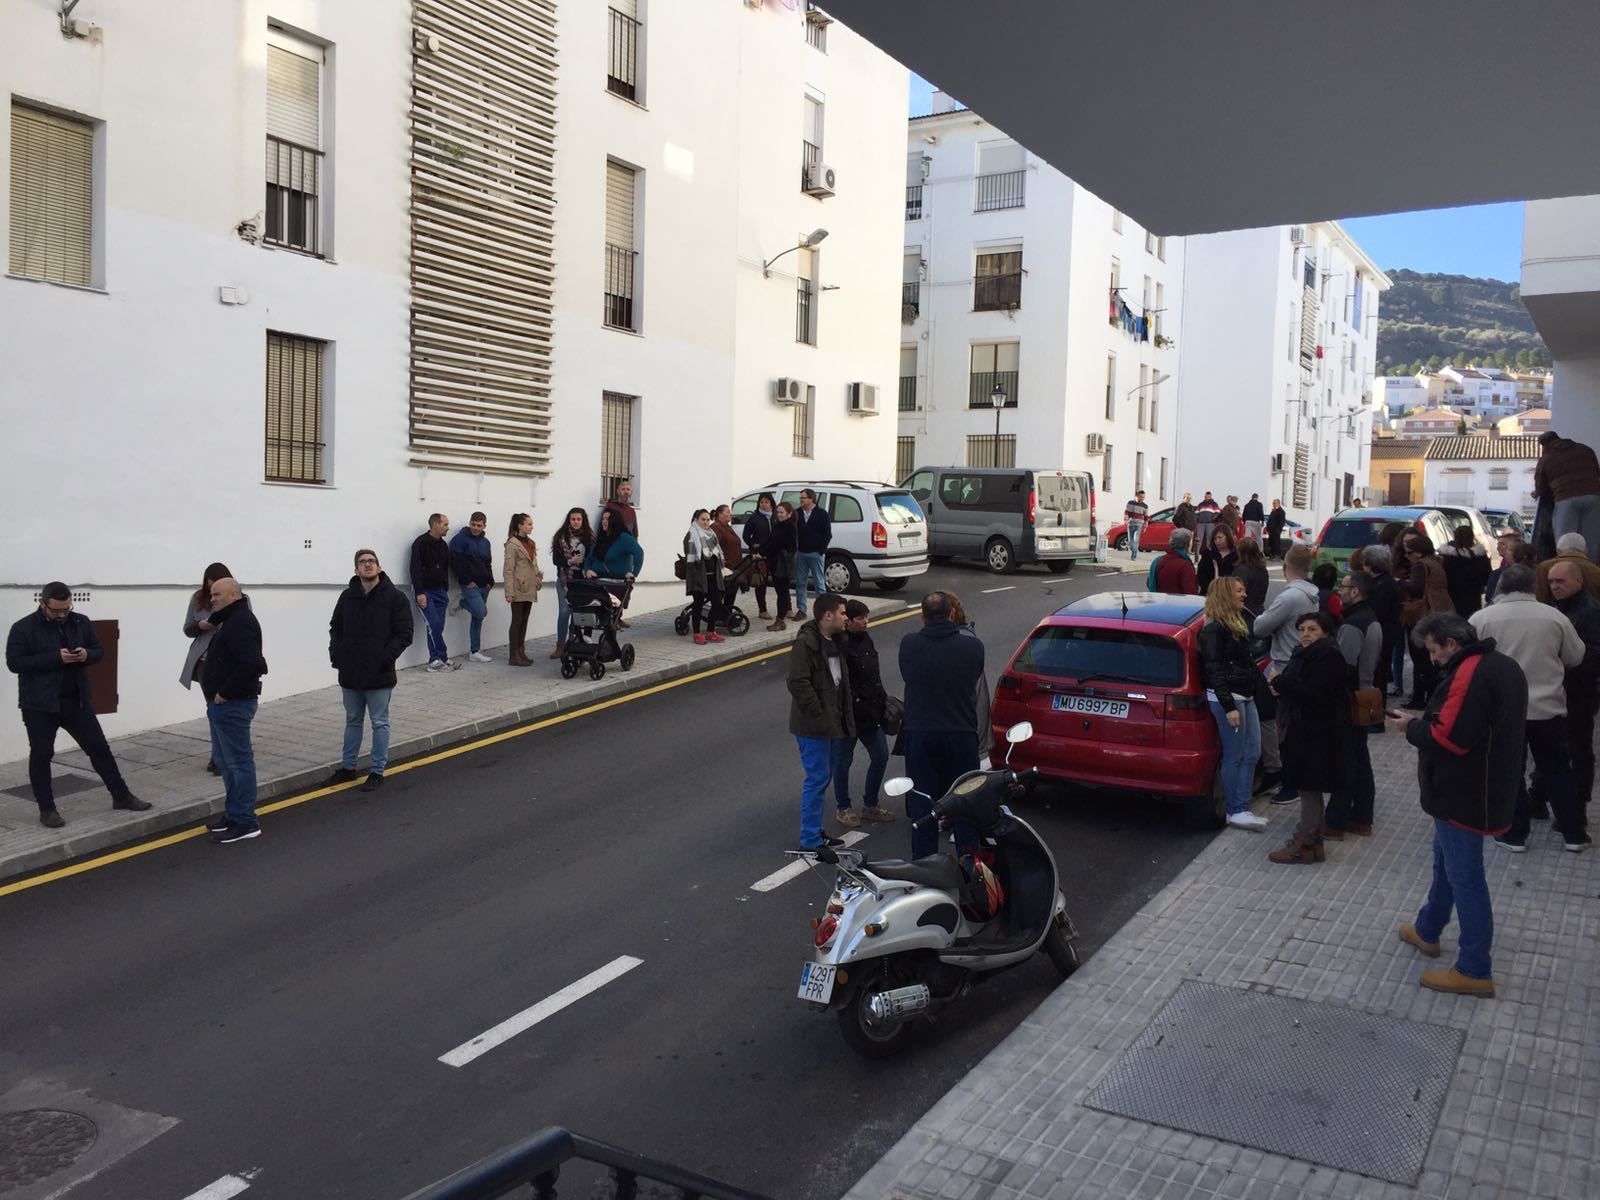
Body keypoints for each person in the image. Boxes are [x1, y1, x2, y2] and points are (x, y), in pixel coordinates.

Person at [1390, 612, 1527, 997]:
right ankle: (1428, 928)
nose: (1432, 659)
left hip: (1465, 792)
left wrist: (1411, 727)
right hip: (1481, 787)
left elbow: (1450, 738)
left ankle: (1473, 968)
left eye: (1434, 650)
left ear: (1452, 643)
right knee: (1445, 862)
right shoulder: (1503, 665)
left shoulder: (1471, 672)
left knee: (1466, 876)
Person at [6, 582, 149, 828]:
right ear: (42, 603)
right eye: (56, 611)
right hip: (40, 705)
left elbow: (99, 650)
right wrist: (55, 657)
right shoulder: (23, 628)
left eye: (66, 609)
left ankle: (121, 796)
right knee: (41, 755)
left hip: (76, 701)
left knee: (99, 749)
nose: (62, 615)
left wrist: (86, 655)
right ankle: (47, 810)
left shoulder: (80, 621)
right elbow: (15, 663)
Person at [1470, 564, 1588, 852]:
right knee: (1558, 770)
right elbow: (1575, 656)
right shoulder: (1555, 617)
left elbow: (1470, 664)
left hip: (1503, 712)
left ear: (1501, 587)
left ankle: (1514, 834)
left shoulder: (1482, 619)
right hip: (1548, 708)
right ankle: (1574, 834)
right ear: (1535, 586)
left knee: (1510, 772)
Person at [899, 590, 987, 859]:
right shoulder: (973, 647)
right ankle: (970, 863)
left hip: (920, 733)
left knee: (922, 802)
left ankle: (925, 866)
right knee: (965, 800)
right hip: (960, 733)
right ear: (952, 614)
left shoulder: (909, 644)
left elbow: (907, 675)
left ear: (923, 617)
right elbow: (974, 676)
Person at [327, 549, 414, 792]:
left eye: (371, 562)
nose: (368, 565)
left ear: (379, 566)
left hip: (379, 673)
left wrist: (384, 658)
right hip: (350, 672)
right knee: (352, 720)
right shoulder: (347, 597)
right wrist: (337, 655)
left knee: (379, 722)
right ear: (356, 569)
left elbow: (404, 634)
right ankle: (348, 767)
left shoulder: (395, 598)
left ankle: (377, 771)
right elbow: (336, 628)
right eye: (363, 562)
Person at [1266, 611, 1349, 864]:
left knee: (1309, 787)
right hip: (1304, 729)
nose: (1305, 634)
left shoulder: (1328, 655)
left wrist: (1279, 683)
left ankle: (1304, 842)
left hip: (1317, 733)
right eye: (1302, 629)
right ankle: (1312, 844)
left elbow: (1314, 693)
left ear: (1324, 631)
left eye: (1312, 629)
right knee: (1306, 787)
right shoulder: (1304, 654)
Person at [201, 577, 267, 844]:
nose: (213, 599)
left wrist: (224, 693)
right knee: (226, 763)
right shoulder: (229, 620)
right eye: (212, 595)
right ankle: (234, 813)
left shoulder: (240, 622)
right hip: (222, 706)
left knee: (239, 763)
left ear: (234, 595)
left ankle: (246, 821)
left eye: (217, 595)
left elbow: (253, 663)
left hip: (233, 704)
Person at [1198, 577, 1267, 831]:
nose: (1244, 594)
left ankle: (1242, 806)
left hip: (1244, 695)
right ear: (1226, 595)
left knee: (1252, 752)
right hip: (1230, 699)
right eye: (1239, 590)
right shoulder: (1213, 629)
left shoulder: (1233, 623)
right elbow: (1213, 670)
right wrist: (1228, 707)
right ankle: (1236, 810)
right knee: (1235, 755)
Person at [1253, 544, 1319, 802]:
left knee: (1282, 726)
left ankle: (1284, 778)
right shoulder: (1313, 593)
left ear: (1284, 567)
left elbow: (1260, 627)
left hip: (1284, 666)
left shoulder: (1290, 596)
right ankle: (1280, 772)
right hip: (1299, 664)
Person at [787, 593, 853, 850]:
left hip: (831, 723)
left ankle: (815, 831)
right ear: (828, 615)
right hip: (813, 726)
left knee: (823, 778)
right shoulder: (806, 643)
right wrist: (819, 714)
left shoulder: (835, 640)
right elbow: (797, 682)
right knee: (817, 778)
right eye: (843, 613)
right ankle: (810, 838)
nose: (845, 618)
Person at [1325, 572, 1383, 838]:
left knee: (1345, 760)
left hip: (1349, 700)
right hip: (1366, 695)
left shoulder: (1352, 625)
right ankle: (1361, 817)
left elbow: (1342, 668)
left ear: (1356, 591)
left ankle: (1336, 821)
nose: (1340, 591)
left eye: (1344, 586)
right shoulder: (1369, 617)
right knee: (1360, 759)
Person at [833, 599, 897, 828]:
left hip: (871, 713)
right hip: (848, 717)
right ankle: (843, 808)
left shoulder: (866, 639)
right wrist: (854, 699)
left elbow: (874, 674)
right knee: (842, 762)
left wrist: (883, 699)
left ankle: (870, 805)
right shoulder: (839, 645)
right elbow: (838, 681)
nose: (866, 622)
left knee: (880, 756)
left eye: (866, 617)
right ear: (848, 620)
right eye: (860, 618)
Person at [1543, 560, 1600, 812]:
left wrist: (1560, 658)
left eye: (1560, 581)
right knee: (1555, 747)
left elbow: (1594, 655)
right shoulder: (1560, 607)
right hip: (1561, 689)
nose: (1554, 586)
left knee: (1578, 747)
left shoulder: (1590, 611)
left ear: (1578, 581)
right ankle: (1543, 799)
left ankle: (1578, 803)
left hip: (1579, 691)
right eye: (1551, 581)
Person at [179, 561, 235, 775]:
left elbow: (243, 626)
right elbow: (187, 629)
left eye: (216, 589)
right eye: (208, 588)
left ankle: (224, 755)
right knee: (213, 709)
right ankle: (217, 757)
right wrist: (201, 626)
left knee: (225, 709)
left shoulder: (239, 599)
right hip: (204, 662)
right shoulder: (197, 598)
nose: (212, 595)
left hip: (227, 662)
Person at [1401, 535, 1455, 708]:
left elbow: (1417, 588)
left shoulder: (1420, 565)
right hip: (1441, 610)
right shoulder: (1437, 562)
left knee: (1421, 658)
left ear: (1419, 553)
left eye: (1409, 552)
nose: (1406, 556)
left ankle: (1420, 698)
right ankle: (1432, 695)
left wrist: (1400, 583)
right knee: (1434, 658)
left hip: (1424, 613)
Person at [1534, 429, 1600, 559]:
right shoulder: (1585, 449)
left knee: (1565, 540)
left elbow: (1541, 488)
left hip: (1566, 498)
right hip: (1594, 497)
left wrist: (1537, 493)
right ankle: (1589, 571)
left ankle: (1567, 568)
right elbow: (1596, 473)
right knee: (1591, 540)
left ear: (1544, 445)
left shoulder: (1546, 458)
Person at [410, 513, 457, 671]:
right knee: (433, 625)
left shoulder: (443, 545)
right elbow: (415, 568)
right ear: (435, 525)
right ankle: (434, 661)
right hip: (425, 591)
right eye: (445, 524)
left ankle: (440, 658)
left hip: (440, 591)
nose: (447, 527)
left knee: (438, 626)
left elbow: (444, 568)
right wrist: (419, 592)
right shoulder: (420, 543)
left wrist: (445, 588)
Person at [449, 511, 496, 663]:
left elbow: (488, 563)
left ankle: (474, 651)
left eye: (479, 525)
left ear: (484, 526)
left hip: (484, 584)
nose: (475, 528)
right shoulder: (459, 540)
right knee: (481, 611)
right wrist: (466, 580)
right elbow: (455, 562)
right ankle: (461, 602)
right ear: (469, 523)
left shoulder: (485, 542)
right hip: (470, 584)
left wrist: (491, 581)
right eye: (473, 524)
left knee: (477, 618)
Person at [548, 509, 591, 661]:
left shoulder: (589, 537)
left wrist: (586, 567)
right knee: (564, 612)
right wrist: (569, 562)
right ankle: (560, 645)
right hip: (564, 580)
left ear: (583, 520)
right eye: (573, 519)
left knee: (578, 613)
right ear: (569, 520)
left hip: (582, 581)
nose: (576, 522)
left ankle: (575, 643)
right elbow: (555, 560)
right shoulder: (561, 537)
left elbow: (592, 559)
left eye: (579, 519)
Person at [1361, 544, 1403, 695]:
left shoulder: (1383, 585)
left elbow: (1379, 611)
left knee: (1378, 674)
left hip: (1382, 634)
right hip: (1386, 632)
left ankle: (1376, 706)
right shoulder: (1386, 581)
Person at [683, 508, 728, 645]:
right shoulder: (691, 535)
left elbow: (716, 554)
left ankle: (710, 632)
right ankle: (697, 634)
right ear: (696, 520)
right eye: (703, 519)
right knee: (698, 605)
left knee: (717, 603)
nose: (706, 522)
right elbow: (690, 557)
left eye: (708, 519)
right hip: (698, 576)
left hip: (714, 576)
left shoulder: (712, 534)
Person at [502, 513, 543, 665]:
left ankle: (521, 651)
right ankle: (514, 655)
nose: (532, 527)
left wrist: (538, 579)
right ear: (520, 525)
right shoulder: (512, 544)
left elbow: (534, 564)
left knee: (524, 621)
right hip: (518, 587)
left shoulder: (530, 542)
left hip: (529, 586)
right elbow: (508, 569)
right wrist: (509, 592)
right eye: (529, 524)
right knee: (517, 620)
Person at [600, 481, 640, 628]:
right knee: (612, 585)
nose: (625, 492)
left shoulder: (631, 510)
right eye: (623, 489)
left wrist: (634, 548)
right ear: (618, 491)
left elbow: (634, 532)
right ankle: (611, 617)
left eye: (628, 489)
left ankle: (619, 616)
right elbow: (604, 528)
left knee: (626, 585)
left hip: (627, 553)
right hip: (614, 550)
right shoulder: (611, 507)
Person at [763, 501, 800, 632]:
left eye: (782, 512)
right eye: (777, 512)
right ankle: (780, 619)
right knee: (781, 592)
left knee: (782, 593)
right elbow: (771, 542)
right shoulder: (779, 525)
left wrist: (762, 553)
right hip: (777, 562)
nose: (779, 515)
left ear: (789, 514)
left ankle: (780, 620)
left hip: (783, 564)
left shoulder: (788, 527)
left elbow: (776, 544)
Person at [794, 489, 831, 618]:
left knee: (819, 584)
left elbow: (827, 534)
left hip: (816, 553)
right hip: (801, 553)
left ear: (811, 499)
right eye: (800, 498)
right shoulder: (797, 513)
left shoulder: (822, 514)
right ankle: (801, 610)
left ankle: (823, 611)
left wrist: (821, 551)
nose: (801, 500)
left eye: (803, 498)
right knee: (800, 583)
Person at [584, 508, 644, 590]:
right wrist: (587, 570)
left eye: (608, 519)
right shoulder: (601, 538)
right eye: (603, 518)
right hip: (597, 583)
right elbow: (589, 558)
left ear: (615, 520)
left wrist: (634, 573)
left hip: (618, 586)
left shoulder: (624, 538)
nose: (604, 521)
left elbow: (639, 553)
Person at [1438, 524, 1490, 618]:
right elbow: (1486, 577)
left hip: (1451, 596)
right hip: (1473, 597)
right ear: (1472, 537)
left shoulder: (1446, 556)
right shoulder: (1480, 556)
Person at [1534, 532, 1600, 602]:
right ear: (1585, 551)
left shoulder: (1544, 567)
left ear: (1558, 550)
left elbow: (1540, 598)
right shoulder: (1596, 570)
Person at [743, 493, 778, 621]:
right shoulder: (754, 518)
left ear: (771, 504)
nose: (764, 504)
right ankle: (762, 610)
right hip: (760, 555)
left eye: (766, 502)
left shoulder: (776, 516)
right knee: (761, 583)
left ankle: (786, 608)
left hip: (774, 554)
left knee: (779, 580)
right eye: (761, 502)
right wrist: (753, 544)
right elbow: (746, 535)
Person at [711, 505, 745, 629]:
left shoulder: (726, 527)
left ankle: (725, 614)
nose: (730, 514)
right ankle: (721, 616)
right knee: (726, 591)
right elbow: (715, 547)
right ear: (719, 514)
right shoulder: (716, 528)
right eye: (727, 512)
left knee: (731, 591)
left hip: (734, 566)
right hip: (726, 567)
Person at [1147, 528, 1199, 595]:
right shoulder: (1185, 565)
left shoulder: (1157, 560)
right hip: (1178, 603)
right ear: (1187, 544)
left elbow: (1150, 583)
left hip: (1158, 600)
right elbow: (1190, 591)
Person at [1196, 523, 1238, 594]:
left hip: (1229, 593)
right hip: (1209, 593)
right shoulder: (1208, 554)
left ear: (1228, 537)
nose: (1217, 541)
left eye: (1220, 537)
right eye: (1215, 538)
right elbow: (1201, 574)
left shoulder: (1236, 555)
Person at [1233, 537, 1269, 616]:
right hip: (1259, 611)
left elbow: (1235, 593)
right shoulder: (1263, 570)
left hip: (1243, 612)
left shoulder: (1241, 570)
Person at [1485, 532, 1522, 605]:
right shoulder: (1503, 563)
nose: (1498, 547)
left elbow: (1490, 596)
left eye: (1502, 544)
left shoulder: (1499, 573)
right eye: (1498, 544)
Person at [1123, 489, 1149, 560]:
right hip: (1130, 524)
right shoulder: (1130, 503)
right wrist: (1126, 520)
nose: (1142, 498)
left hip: (1139, 524)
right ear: (1136, 496)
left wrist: (1145, 526)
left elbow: (1146, 517)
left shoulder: (1145, 506)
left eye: (1143, 497)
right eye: (1141, 497)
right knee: (1130, 541)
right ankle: (1133, 549)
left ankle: (1134, 556)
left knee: (1136, 539)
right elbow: (1127, 512)